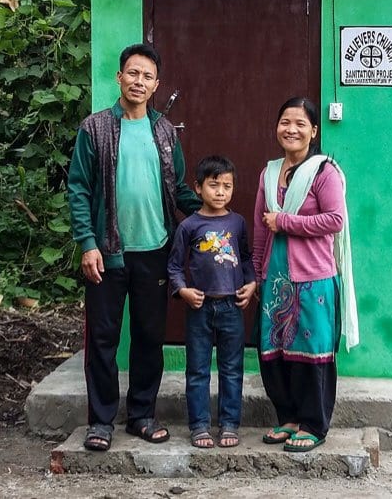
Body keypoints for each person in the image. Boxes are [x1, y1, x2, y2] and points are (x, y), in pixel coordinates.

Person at [68, 43, 201, 451]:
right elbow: (78, 188)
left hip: (155, 251)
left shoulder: (163, 130)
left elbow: (177, 188)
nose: (138, 81)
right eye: (132, 73)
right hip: (107, 253)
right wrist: (87, 243)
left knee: (148, 336)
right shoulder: (95, 128)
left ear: (156, 84)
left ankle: (141, 415)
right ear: (119, 77)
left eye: (147, 76)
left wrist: (212, 214)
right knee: (103, 339)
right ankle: (101, 421)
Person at [252, 97, 359, 453]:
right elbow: (258, 227)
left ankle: (314, 423)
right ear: (276, 127)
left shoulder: (324, 172)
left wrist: (285, 221)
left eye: (300, 124)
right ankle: (288, 418)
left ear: (314, 131)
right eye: (285, 122)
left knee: (311, 352)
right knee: (275, 351)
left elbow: (335, 220)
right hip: (276, 277)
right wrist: (256, 272)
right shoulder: (268, 173)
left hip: (314, 278)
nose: (291, 129)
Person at [168, 155, 256, 449]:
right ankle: (199, 425)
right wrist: (183, 291)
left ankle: (230, 423)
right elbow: (175, 267)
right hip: (200, 307)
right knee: (198, 370)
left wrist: (251, 282)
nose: (221, 192)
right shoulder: (189, 226)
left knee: (232, 368)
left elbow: (245, 258)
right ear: (198, 187)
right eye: (214, 185)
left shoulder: (238, 223)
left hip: (232, 307)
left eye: (227, 186)